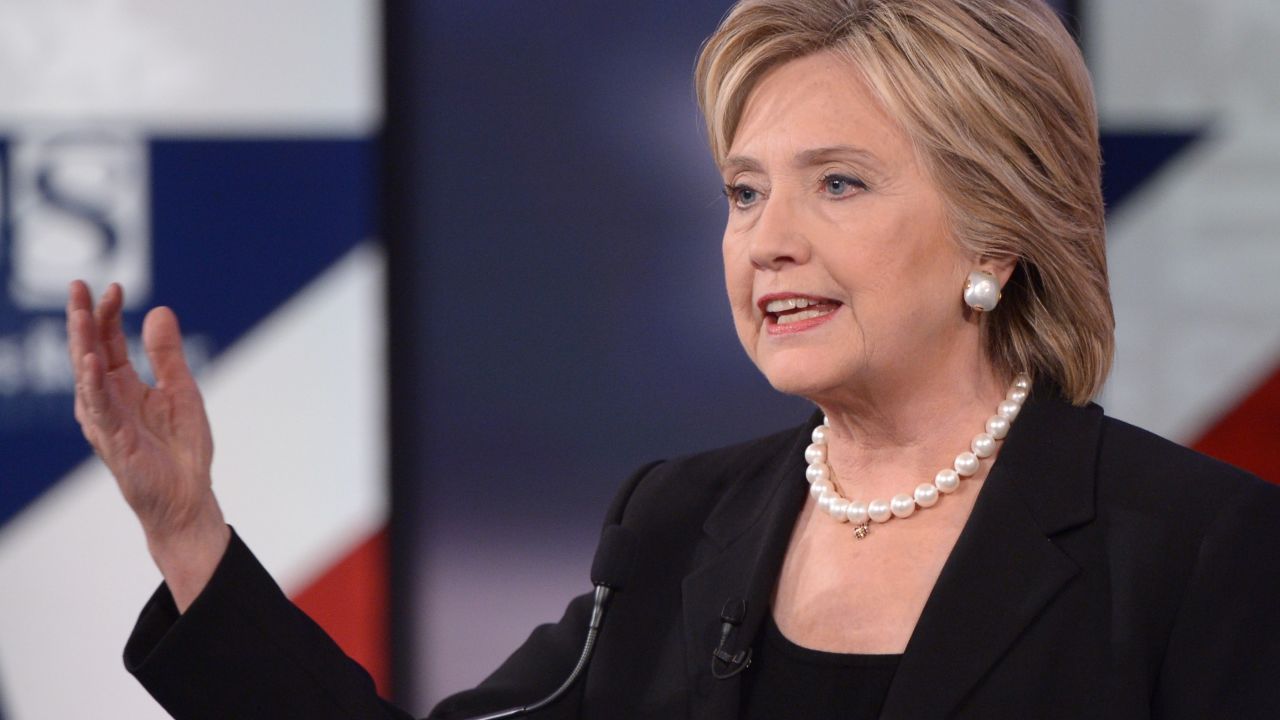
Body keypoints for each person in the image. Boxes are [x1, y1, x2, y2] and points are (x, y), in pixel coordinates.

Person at [66, 0, 1280, 718]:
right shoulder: (676, 522)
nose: (767, 243)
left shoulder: (1191, 548)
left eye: (837, 185)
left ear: (999, 232)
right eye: (743, 193)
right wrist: (187, 535)